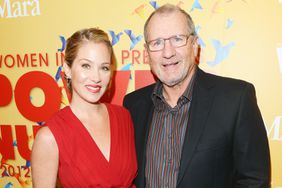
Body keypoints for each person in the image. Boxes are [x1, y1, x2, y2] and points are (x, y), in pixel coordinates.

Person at [123, 4, 270, 188]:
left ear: (194, 45)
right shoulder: (132, 105)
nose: (167, 52)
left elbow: (254, 181)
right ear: (147, 52)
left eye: (177, 39)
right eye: (157, 43)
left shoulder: (236, 99)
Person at [31, 28, 137, 188]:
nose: (96, 78)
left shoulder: (124, 117)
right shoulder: (49, 137)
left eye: (104, 68)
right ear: (67, 68)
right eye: (86, 66)